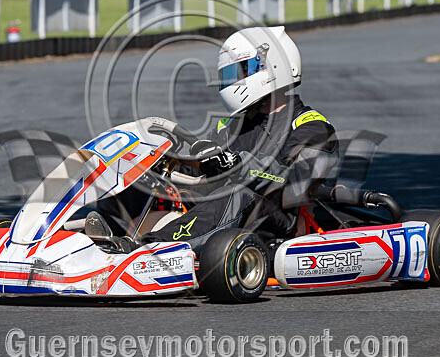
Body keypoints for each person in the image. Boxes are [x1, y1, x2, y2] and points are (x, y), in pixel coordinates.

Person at [131, 26, 339, 249]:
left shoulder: (311, 126)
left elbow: (294, 182)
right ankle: (112, 239)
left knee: (235, 194)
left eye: (238, 73)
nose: (231, 82)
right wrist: (165, 162)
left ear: (270, 68)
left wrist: (238, 163)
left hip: (280, 221)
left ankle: (153, 248)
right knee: (139, 181)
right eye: (228, 76)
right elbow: (203, 169)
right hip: (224, 214)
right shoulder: (230, 127)